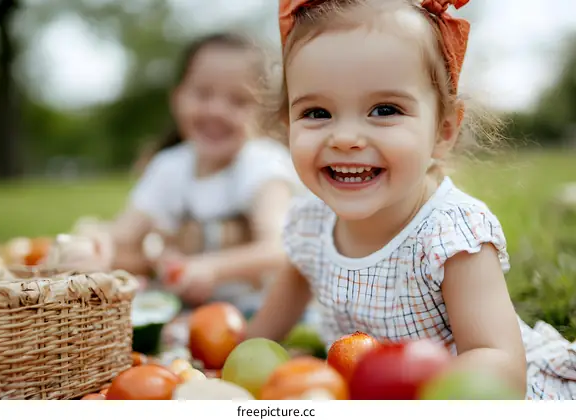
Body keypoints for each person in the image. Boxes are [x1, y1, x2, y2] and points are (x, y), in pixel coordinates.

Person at [246, 0, 576, 400]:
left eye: (384, 110)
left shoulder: (450, 234)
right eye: (316, 113)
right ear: (287, 127)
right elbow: (261, 336)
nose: (346, 137)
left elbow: (499, 363)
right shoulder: (310, 222)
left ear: (444, 130)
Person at [104, 32, 303, 311]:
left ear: (264, 113)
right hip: (186, 314)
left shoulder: (262, 163)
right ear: (177, 98)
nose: (216, 110)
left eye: (238, 100)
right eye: (202, 93)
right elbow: (123, 235)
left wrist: (210, 268)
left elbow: (280, 249)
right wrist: (94, 245)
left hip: (262, 314)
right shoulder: (169, 166)